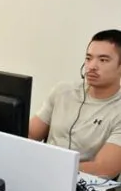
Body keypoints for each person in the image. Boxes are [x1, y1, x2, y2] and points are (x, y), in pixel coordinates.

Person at [28, 29, 121, 179]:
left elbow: (104, 169)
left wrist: (50, 167)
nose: (92, 66)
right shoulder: (63, 92)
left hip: (83, 184)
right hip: (40, 174)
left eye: (103, 60)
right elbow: (31, 134)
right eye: (88, 58)